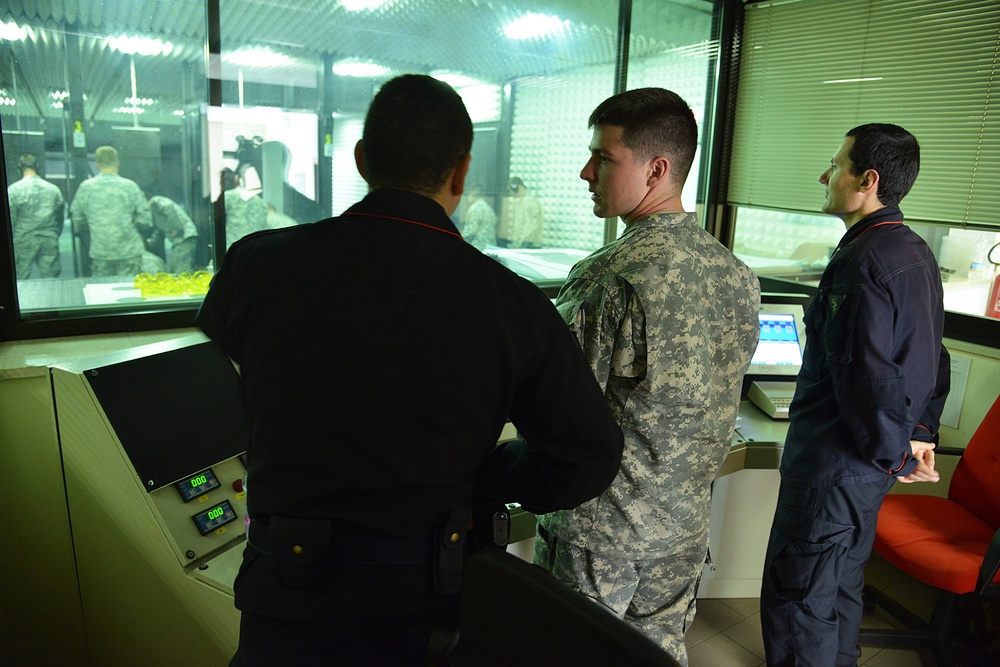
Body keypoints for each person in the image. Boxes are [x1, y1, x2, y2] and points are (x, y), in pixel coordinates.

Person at [196, 74, 624, 667]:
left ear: (362, 160)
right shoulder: (509, 303)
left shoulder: (258, 266)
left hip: (286, 591)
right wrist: (496, 473)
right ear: (461, 172)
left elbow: (220, 360)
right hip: (424, 602)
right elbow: (589, 454)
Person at [532, 88, 761, 666]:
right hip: (682, 532)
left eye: (603, 158)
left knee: (572, 652)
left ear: (657, 169)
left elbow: (553, 403)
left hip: (600, 537)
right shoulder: (736, 274)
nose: (587, 172)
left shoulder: (612, 275)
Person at [759, 123, 951, 667]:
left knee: (800, 600)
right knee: (839, 589)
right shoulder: (912, 250)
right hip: (869, 469)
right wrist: (915, 437)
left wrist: (893, 448)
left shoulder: (862, 262)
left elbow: (866, 375)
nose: (825, 175)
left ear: (867, 180)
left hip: (834, 467)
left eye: (836, 165)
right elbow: (935, 356)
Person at [70, 145, 152, 277]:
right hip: (129, 251)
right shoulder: (130, 186)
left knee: (103, 292)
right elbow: (144, 219)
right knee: (130, 291)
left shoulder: (86, 187)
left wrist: (94, 231)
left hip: (100, 251)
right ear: (118, 163)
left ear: (97, 164)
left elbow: (78, 219)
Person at [8, 153, 65, 279]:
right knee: (51, 280)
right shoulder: (53, 189)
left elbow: (11, 219)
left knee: (19, 280)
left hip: (23, 239)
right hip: (49, 238)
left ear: (20, 168)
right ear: (37, 167)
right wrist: (55, 233)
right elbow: (60, 217)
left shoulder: (14, 190)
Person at [149, 195, 199, 273]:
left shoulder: (154, 201)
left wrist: (177, 228)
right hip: (180, 239)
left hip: (184, 236)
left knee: (182, 270)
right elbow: (160, 231)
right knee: (176, 268)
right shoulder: (155, 213)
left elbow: (168, 207)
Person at [222, 170, 269, 249]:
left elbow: (216, 226)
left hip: (233, 249)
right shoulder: (261, 202)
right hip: (257, 249)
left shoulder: (226, 198)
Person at [499, 176, 544, 248]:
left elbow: (531, 226)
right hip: (522, 245)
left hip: (529, 246)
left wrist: (520, 244)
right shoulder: (521, 202)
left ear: (516, 188)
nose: (510, 193)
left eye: (510, 190)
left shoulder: (530, 201)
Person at [461, 183, 497, 250]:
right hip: (490, 248)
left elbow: (470, 231)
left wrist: (459, 241)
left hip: (478, 248)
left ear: (472, 194)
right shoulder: (489, 209)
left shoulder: (474, 209)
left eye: (468, 194)